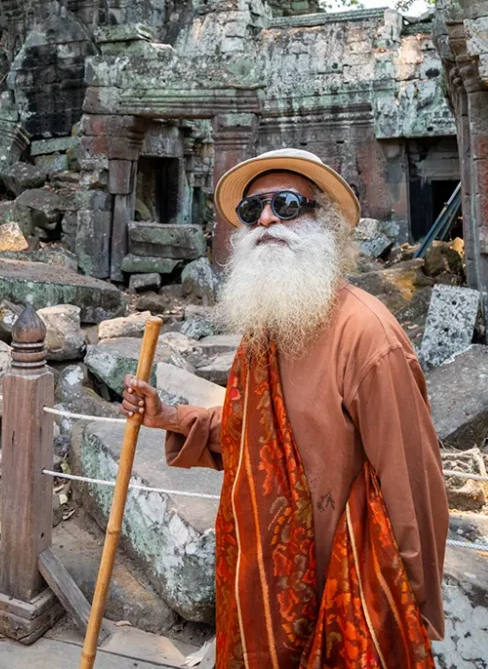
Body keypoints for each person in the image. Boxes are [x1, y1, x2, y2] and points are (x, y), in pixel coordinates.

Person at [122, 148, 448, 669]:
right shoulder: (268, 326)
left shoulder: (367, 335)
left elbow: (414, 487)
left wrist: (410, 611)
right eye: (252, 211)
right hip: (255, 590)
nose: (267, 219)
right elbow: (250, 435)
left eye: (287, 204)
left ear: (327, 222)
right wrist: (170, 418)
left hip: (341, 602)